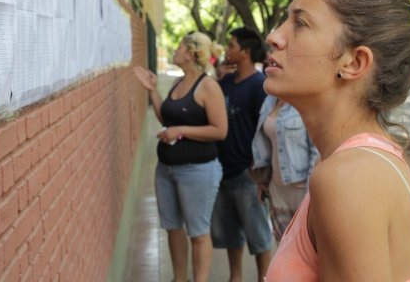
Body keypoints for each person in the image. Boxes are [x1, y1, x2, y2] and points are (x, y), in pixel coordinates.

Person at [263, 0, 410, 282]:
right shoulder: (356, 163)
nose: (274, 36)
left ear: (354, 63)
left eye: (300, 23)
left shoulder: (349, 176)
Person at [134, 32, 227, 282]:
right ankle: (179, 278)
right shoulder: (179, 83)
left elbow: (220, 130)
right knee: (173, 228)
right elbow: (168, 119)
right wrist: (152, 91)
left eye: (178, 47)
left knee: (197, 232)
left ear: (189, 53)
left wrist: (181, 131)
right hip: (166, 169)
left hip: (197, 171)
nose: (174, 50)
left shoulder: (208, 86)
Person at [211, 27, 272, 282]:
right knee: (229, 234)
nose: (227, 49)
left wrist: (260, 171)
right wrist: (218, 75)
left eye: (232, 45)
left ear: (245, 52)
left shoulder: (259, 86)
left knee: (258, 235)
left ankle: (263, 278)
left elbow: (265, 129)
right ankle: (234, 277)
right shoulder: (224, 82)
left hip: (247, 174)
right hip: (222, 171)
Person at [250, 95, 318, 242]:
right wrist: (262, 179)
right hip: (276, 188)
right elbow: (264, 144)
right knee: (283, 247)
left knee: (307, 247)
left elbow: (316, 151)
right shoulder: (269, 100)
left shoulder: (306, 100)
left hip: (301, 189)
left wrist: (311, 192)